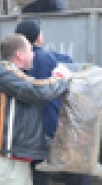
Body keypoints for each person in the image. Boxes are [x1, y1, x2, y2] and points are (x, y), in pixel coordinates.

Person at [0, 34, 71, 185]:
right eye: (30, 50)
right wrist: (60, 78)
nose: (34, 54)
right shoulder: (2, 71)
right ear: (19, 54)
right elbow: (39, 91)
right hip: (2, 164)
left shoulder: (13, 75)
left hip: (11, 164)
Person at [15, 21, 92, 185]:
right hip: (51, 125)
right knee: (73, 168)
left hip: (26, 130)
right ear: (38, 38)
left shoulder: (12, 63)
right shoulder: (46, 58)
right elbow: (71, 67)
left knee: (37, 170)